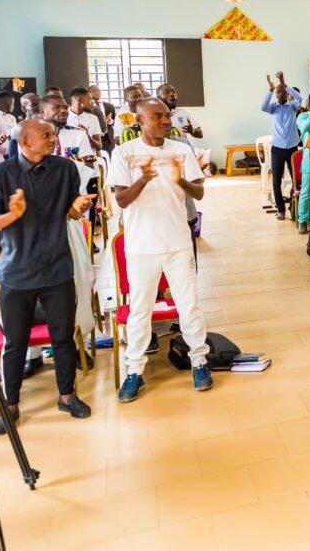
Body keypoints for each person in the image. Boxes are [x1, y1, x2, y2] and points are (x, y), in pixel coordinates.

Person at [0, 118, 94, 435]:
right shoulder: (0, 174)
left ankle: (67, 396)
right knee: (15, 343)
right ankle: (11, 405)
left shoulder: (65, 169)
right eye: (45, 135)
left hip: (57, 268)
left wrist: (78, 208)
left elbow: (69, 212)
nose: (52, 138)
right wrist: (13, 214)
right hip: (16, 273)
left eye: (52, 134)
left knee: (63, 338)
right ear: (25, 141)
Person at [108, 98, 211, 403]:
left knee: (189, 305)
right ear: (139, 121)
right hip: (141, 246)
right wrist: (143, 178)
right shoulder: (124, 153)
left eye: (167, 116)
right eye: (157, 117)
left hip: (177, 242)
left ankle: (199, 361)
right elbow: (122, 200)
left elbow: (199, 192)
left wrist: (180, 180)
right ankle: (134, 371)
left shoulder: (181, 150)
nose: (166, 121)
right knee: (140, 310)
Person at [261, 72, 301, 220]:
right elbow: (262, 106)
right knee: (276, 180)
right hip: (277, 148)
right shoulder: (273, 108)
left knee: (296, 179)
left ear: (287, 92)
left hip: (292, 148)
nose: (281, 94)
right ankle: (281, 209)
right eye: (278, 92)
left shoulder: (293, 107)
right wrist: (270, 90)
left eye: (283, 91)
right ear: (276, 94)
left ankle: (294, 207)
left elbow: (299, 98)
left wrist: (284, 83)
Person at [66, 87, 103, 152]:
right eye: (90, 99)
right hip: (67, 158)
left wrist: (87, 136)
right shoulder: (63, 117)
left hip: (89, 158)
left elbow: (99, 147)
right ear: (80, 100)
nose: (93, 102)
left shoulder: (93, 119)